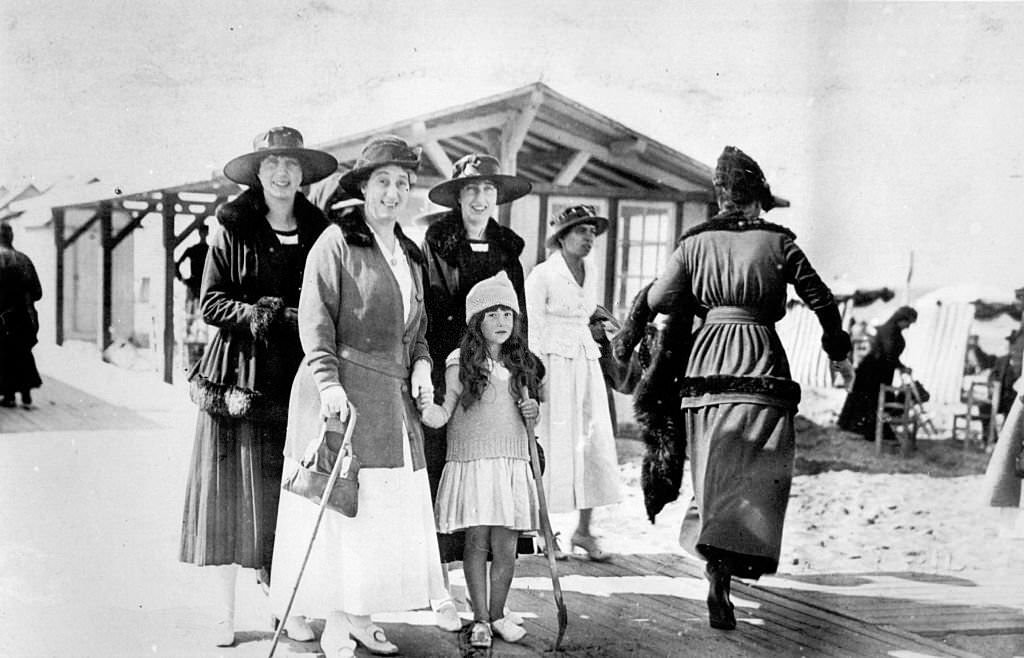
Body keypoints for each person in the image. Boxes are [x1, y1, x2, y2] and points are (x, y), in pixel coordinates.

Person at [646, 146, 852, 630]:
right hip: (762, 361)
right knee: (762, 468)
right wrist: (837, 347)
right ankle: (735, 559)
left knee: (713, 465)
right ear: (757, 200)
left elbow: (658, 297)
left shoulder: (695, 243)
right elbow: (821, 298)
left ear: (721, 199)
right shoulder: (780, 243)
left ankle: (714, 565)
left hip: (709, 362)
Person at [268, 135, 446, 658]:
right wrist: (327, 383)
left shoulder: (409, 254)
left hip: (389, 401)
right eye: (383, 182)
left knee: (375, 516)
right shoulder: (337, 242)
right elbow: (315, 316)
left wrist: (421, 364)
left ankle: (360, 614)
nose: (393, 193)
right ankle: (336, 621)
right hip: (341, 391)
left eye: (403, 184)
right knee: (339, 510)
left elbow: (417, 329)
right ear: (364, 187)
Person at [178, 126, 336, 647]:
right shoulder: (232, 227)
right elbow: (212, 303)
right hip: (239, 377)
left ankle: (283, 603)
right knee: (229, 499)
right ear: (259, 173)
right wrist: (267, 314)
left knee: (284, 497)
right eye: (272, 165)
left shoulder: (320, 230)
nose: (283, 173)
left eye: (291, 164)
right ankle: (223, 614)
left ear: (303, 173)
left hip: (295, 378)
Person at [420, 152, 532, 624]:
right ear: (459, 197)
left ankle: (493, 609)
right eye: (472, 190)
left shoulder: (509, 250)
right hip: (455, 373)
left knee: (498, 494)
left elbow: (519, 320)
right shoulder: (437, 243)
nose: (481, 198)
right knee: (448, 482)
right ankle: (441, 591)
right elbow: (426, 306)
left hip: (499, 380)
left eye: (488, 190)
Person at [421, 272, 542, 649]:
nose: (502, 321)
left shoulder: (521, 361)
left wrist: (532, 409)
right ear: (476, 321)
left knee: (506, 547)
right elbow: (445, 409)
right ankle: (481, 621)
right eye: (492, 314)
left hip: (510, 462)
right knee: (476, 544)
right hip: (475, 463)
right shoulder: (460, 361)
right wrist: (429, 411)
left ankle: (498, 612)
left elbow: (527, 412)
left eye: (508, 313)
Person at [525, 204, 623, 561]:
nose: (588, 238)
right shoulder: (542, 275)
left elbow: (590, 310)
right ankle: (543, 531)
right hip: (552, 364)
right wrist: (533, 375)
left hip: (585, 362)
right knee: (551, 442)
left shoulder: (591, 269)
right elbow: (532, 328)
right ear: (562, 237)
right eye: (581, 231)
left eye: (592, 232)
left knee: (592, 440)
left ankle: (583, 531)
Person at [837, 306, 918, 440]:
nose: (908, 326)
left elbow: (891, 356)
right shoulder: (889, 331)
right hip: (872, 372)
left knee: (874, 401)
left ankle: (871, 431)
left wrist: (900, 367)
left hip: (880, 371)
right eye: (908, 322)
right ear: (901, 319)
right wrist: (901, 367)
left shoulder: (893, 331)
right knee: (872, 400)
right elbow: (888, 354)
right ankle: (869, 431)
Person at [0, 221, 42, 408]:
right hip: (23, 317)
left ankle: (8, 395)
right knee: (22, 354)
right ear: (11, 237)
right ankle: (26, 395)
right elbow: (37, 292)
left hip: (1, 318)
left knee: (2, 355)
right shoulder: (24, 260)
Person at [175, 223, 211, 367]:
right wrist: (182, 279)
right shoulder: (198, 250)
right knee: (190, 317)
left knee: (202, 319)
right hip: (196, 286)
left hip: (203, 287)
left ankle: (200, 353)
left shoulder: (209, 250)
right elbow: (176, 264)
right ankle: (189, 352)